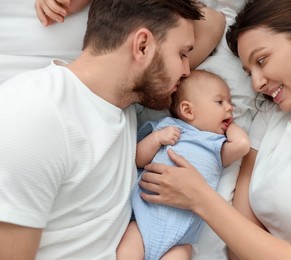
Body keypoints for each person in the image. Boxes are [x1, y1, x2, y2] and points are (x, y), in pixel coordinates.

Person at [137, 0, 291, 259]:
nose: (257, 83)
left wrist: (199, 197)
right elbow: (238, 243)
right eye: (249, 73)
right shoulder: (271, 116)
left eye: (262, 60)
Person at [0, 0, 227, 259]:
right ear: (142, 46)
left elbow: (212, 22)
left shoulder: (124, 104)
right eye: (182, 54)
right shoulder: (34, 114)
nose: (187, 71)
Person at [117, 69, 250, 260]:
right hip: (144, 220)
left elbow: (242, 145)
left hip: (180, 240)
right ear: (188, 110)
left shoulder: (216, 145)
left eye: (230, 103)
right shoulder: (168, 128)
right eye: (220, 101)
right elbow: (138, 159)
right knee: (128, 251)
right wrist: (156, 139)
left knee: (182, 254)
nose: (230, 108)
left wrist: (230, 124)